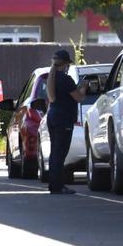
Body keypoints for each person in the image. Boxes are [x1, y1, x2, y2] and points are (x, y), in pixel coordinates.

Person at [45, 49, 89, 195]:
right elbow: (79, 98)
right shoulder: (65, 79)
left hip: (53, 116)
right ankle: (58, 186)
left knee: (55, 152)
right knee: (60, 153)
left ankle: (54, 184)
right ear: (64, 64)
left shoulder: (52, 78)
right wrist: (83, 87)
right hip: (64, 119)